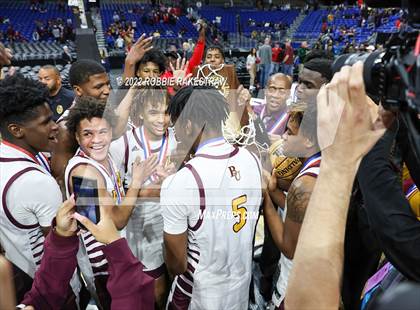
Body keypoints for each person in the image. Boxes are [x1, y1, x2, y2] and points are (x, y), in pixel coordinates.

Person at [285, 62, 385, 310]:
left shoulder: (319, 174)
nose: (299, 90)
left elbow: (290, 249)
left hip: (314, 280)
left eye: (309, 85)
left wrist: (338, 163)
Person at [162, 86, 262, 309]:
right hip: (240, 286)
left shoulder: (180, 182)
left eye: (175, 126)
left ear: (187, 125)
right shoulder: (252, 159)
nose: (174, 133)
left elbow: (177, 265)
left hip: (199, 292)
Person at [64, 96, 157, 309]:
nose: (97, 140)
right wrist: (136, 182)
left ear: (111, 132)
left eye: (102, 132)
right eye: (88, 134)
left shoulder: (104, 157)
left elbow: (114, 200)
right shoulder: (84, 172)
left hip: (116, 253)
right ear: (77, 137)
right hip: (103, 266)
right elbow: (116, 221)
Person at [0, 74, 77, 306]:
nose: (55, 127)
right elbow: (61, 245)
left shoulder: (9, 156)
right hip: (51, 287)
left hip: (20, 276)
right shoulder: (35, 182)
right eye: (45, 122)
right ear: (17, 129)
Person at [109, 88, 178, 307]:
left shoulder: (178, 140)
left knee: (175, 275)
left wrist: (170, 184)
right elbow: (114, 191)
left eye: (166, 113)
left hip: (173, 221)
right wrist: (142, 188)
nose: (162, 119)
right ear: (140, 114)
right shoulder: (123, 145)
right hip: (142, 227)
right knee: (154, 287)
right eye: (154, 112)